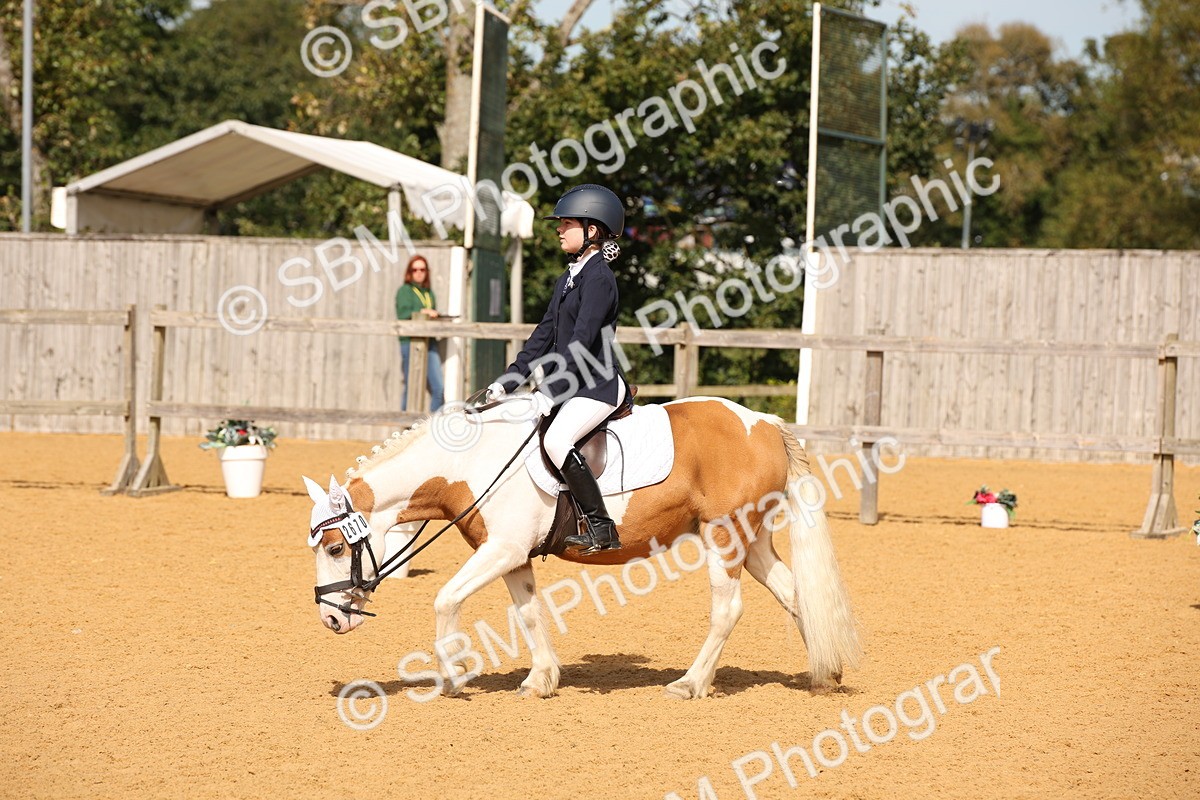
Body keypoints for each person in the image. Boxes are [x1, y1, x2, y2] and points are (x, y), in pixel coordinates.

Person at [485, 184, 630, 555]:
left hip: (596, 384)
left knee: (556, 440)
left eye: (567, 223)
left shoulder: (599, 279)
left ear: (591, 230)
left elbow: (581, 342)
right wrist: (508, 381)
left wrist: (549, 392)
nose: (558, 229)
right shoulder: (569, 277)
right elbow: (544, 334)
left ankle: (601, 527)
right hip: (572, 383)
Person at [395, 254, 445, 412]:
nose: (418, 273)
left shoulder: (429, 293)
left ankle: (432, 425)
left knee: (439, 389)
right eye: (415, 269)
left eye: (422, 269)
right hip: (410, 343)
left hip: (429, 342)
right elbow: (403, 314)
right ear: (409, 272)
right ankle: (405, 425)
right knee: (412, 388)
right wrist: (423, 311)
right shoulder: (405, 291)